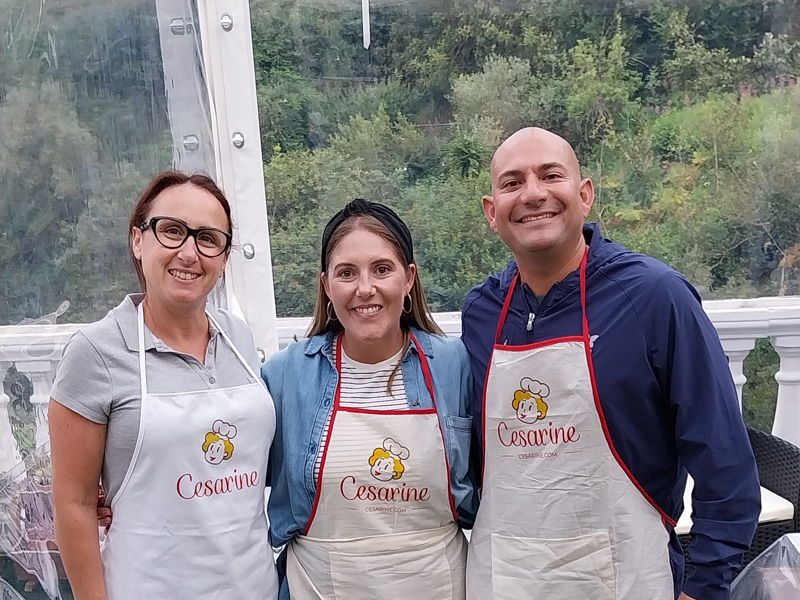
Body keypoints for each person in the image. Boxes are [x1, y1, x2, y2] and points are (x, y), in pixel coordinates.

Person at [462, 127, 760, 600]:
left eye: (550, 175)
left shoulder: (655, 297)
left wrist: (705, 583)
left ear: (585, 195)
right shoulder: (482, 312)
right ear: (491, 211)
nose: (533, 194)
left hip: (628, 577)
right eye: (512, 182)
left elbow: (723, 457)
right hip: (504, 579)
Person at [49, 171, 279, 600]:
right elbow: (74, 505)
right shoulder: (95, 353)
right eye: (172, 231)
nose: (189, 253)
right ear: (138, 240)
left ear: (224, 257)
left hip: (254, 587)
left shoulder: (238, 338)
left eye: (208, 238)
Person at [262, 199, 476, 600]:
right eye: (347, 273)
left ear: (408, 278)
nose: (365, 289)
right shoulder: (284, 376)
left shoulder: (455, 366)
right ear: (326, 285)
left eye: (381, 269)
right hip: (319, 588)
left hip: (437, 586)